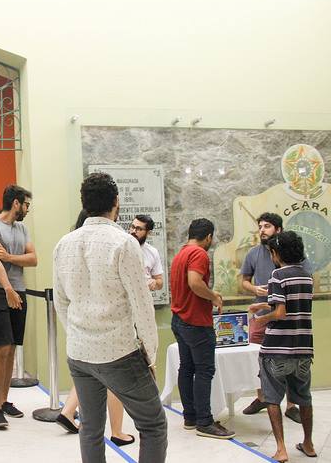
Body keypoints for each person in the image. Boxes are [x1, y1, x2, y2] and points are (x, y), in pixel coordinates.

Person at [53, 173, 167, 463]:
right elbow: (142, 305)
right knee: (153, 425)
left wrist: (77, 333)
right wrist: (151, 355)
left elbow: (61, 301)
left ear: (84, 203)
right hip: (119, 352)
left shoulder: (64, 243)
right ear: (116, 202)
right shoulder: (124, 243)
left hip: (79, 353)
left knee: (90, 428)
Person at [56, 209, 135, 447]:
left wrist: (72, 332)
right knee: (113, 385)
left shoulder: (67, 246)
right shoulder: (119, 244)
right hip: (110, 337)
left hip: (80, 338)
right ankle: (117, 431)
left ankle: (69, 411)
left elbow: (62, 300)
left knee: (90, 415)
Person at [240, 212, 308, 423]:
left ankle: (291, 405)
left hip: (288, 319)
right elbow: (244, 280)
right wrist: (255, 289)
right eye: (260, 226)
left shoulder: (294, 255)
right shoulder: (253, 253)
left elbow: (305, 278)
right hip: (262, 314)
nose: (262, 230)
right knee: (258, 359)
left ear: (278, 229)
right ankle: (262, 398)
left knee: (288, 360)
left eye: (267, 226)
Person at [0, 185, 37, 429]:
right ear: (16, 203)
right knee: (1, 347)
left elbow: (33, 259)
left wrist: (10, 257)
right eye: (26, 204)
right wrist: (8, 289)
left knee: (12, 348)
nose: (27, 209)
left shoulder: (22, 229)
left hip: (18, 290)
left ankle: (3, 401)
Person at [170, 218, 234, 439]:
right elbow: (195, 282)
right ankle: (204, 422)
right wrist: (214, 297)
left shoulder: (181, 254)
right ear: (208, 237)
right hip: (196, 322)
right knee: (204, 370)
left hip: (179, 319)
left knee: (186, 368)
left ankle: (190, 417)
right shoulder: (199, 254)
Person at [254, 231, 315, 463]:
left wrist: (261, 318)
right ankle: (308, 443)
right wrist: (264, 306)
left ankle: (281, 449)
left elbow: (280, 312)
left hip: (276, 348)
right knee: (304, 397)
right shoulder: (307, 276)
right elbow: (295, 306)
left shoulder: (277, 275)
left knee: (272, 398)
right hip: (303, 348)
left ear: (276, 253)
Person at [129, 214, 164, 291]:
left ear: (148, 233)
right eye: (133, 227)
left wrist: (154, 282)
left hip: (142, 295)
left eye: (139, 229)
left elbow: (160, 282)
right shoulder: (120, 246)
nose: (134, 231)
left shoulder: (152, 252)